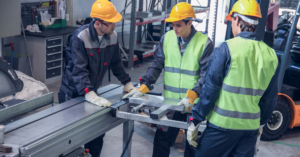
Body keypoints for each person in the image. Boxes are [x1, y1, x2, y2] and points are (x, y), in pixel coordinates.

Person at [187, 0, 280, 156]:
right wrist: (261, 123)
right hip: (249, 129)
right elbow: (270, 98)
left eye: (232, 21)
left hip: (222, 126)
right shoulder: (271, 55)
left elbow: (210, 90)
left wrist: (196, 119)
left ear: (237, 19)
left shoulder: (226, 49)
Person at [123, 2, 214, 157]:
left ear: (190, 22)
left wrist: (193, 95)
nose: (175, 29)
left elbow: (207, 75)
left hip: (193, 104)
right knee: (161, 141)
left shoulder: (205, 43)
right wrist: (144, 86)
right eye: (173, 25)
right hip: (170, 103)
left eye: (178, 25)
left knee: (192, 144)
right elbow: (156, 65)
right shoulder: (167, 39)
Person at [58, 0, 136, 156]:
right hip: (72, 93)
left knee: (97, 134)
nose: (115, 26)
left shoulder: (112, 36)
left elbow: (116, 63)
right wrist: (88, 92)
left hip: (92, 91)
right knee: (74, 140)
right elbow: (79, 70)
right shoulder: (80, 37)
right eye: (111, 23)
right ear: (98, 23)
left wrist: (127, 83)